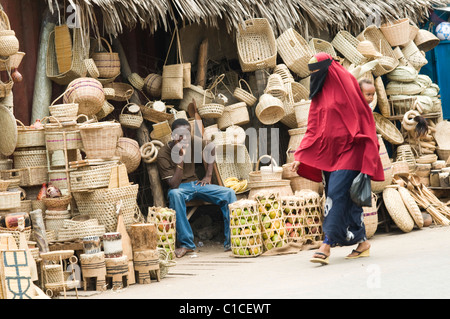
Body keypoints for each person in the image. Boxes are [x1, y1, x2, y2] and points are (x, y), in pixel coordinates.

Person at [291, 52, 385, 265]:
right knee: (349, 198)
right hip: (329, 154)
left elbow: (364, 115)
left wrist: (366, 142)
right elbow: (313, 127)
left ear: (327, 69)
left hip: (351, 151)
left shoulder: (348, 84)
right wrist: (301, 155)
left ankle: (326, 244)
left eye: (317, 71)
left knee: (334, 194)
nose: (314, 76)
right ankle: (362, 243)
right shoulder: (319, 92)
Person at [156, 118, 237, 258]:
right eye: (180, 135)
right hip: (180, 188)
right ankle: (187, 244)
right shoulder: (163, 153)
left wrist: (208, 176)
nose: (184, 138)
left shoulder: (192, 141)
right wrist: (180, 158)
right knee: (175, 194)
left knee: (229, 193)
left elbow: (211, 147)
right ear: (173, 135)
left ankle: (232, 242)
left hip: (197, 184)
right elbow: (174, 185)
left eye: (187, 134)